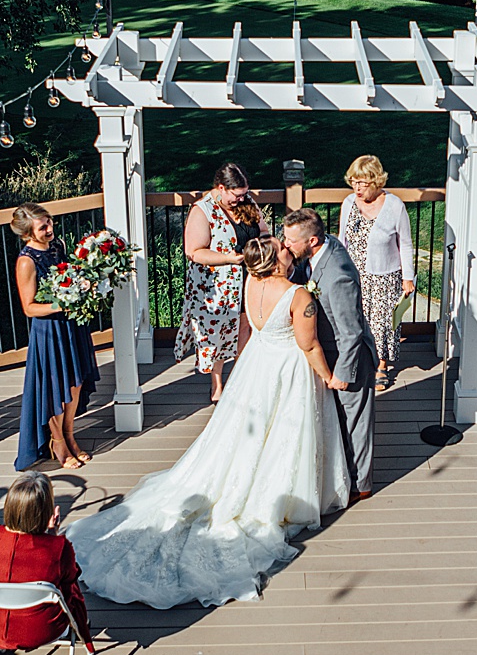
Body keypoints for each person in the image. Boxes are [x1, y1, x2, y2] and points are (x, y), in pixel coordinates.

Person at [65, 236, 350, 608]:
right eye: (283, 247)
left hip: (256, 363)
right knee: (285, 435)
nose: (288, 249)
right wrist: (328, 376)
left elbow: (248, 328)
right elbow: (309, 345)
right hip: (286, 369)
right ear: (276, 259)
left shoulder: (251, 282)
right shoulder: (298, 296)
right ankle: (281, 498)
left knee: (246, 437)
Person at [282, 206, 378, 504]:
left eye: (290, 241)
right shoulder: (321, 249)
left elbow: (351, 331)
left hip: (348, 358)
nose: (286, 245)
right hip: (328, 351)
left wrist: (343, 374)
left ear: (312, 241)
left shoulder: (337, 276)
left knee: (355, 424)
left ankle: (361, 485)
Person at [12, 202, 101, 471]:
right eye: (43, 226)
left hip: (71, 325)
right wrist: (65, 303)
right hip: (49, 331)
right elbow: (29, 308)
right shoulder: (27, 261)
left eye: (49, 222)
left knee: (74, 383)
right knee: (55, 389)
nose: (50, 229)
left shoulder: (57, 246)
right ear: (28, 233)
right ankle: (58, 441)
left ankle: (70, 434)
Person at [0, 473, 94, 652]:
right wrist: (53, 536)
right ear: (45, 511)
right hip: (41, 630)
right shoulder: (59, 547)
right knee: (70, 583)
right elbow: (71, 579)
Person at [175, 163, 263, 403]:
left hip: (248, 277)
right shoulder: (202, 210)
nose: (242, 198)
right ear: (221, 188)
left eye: (244, 193)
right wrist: (228, 259)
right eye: (236, 195)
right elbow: (194, 251)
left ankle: (239, 378)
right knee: (219, 332)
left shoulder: (246, 202)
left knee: (245, 327)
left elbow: (263, 232)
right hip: (215, 284)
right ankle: (217, 384)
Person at [339, 155, 417, 391]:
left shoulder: (394, 206)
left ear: (376, 181)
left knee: (382, 324)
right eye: (353, 182)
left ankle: (381, 366)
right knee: (355, 319)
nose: (357, 188)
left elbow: (405, 243)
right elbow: (342, 239)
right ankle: (359, 362)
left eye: (362, 183)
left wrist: (408, 277)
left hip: (384, 275)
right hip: (355, 274)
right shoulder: (348, 203)